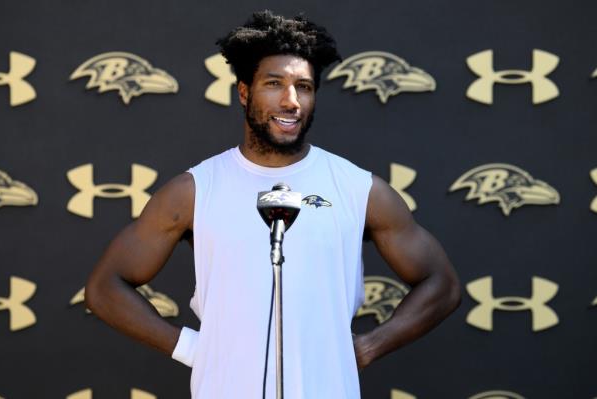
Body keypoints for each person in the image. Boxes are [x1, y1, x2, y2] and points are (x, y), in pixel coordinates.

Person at [85, 10, 461, 399]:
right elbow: (104, 288)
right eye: (274, 84)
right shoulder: (194, 190)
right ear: (244, 91)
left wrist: (369, 346)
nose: (291, 100)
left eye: (305, 87)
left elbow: (442, 285)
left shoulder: (358, 189)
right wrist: (193, 348)